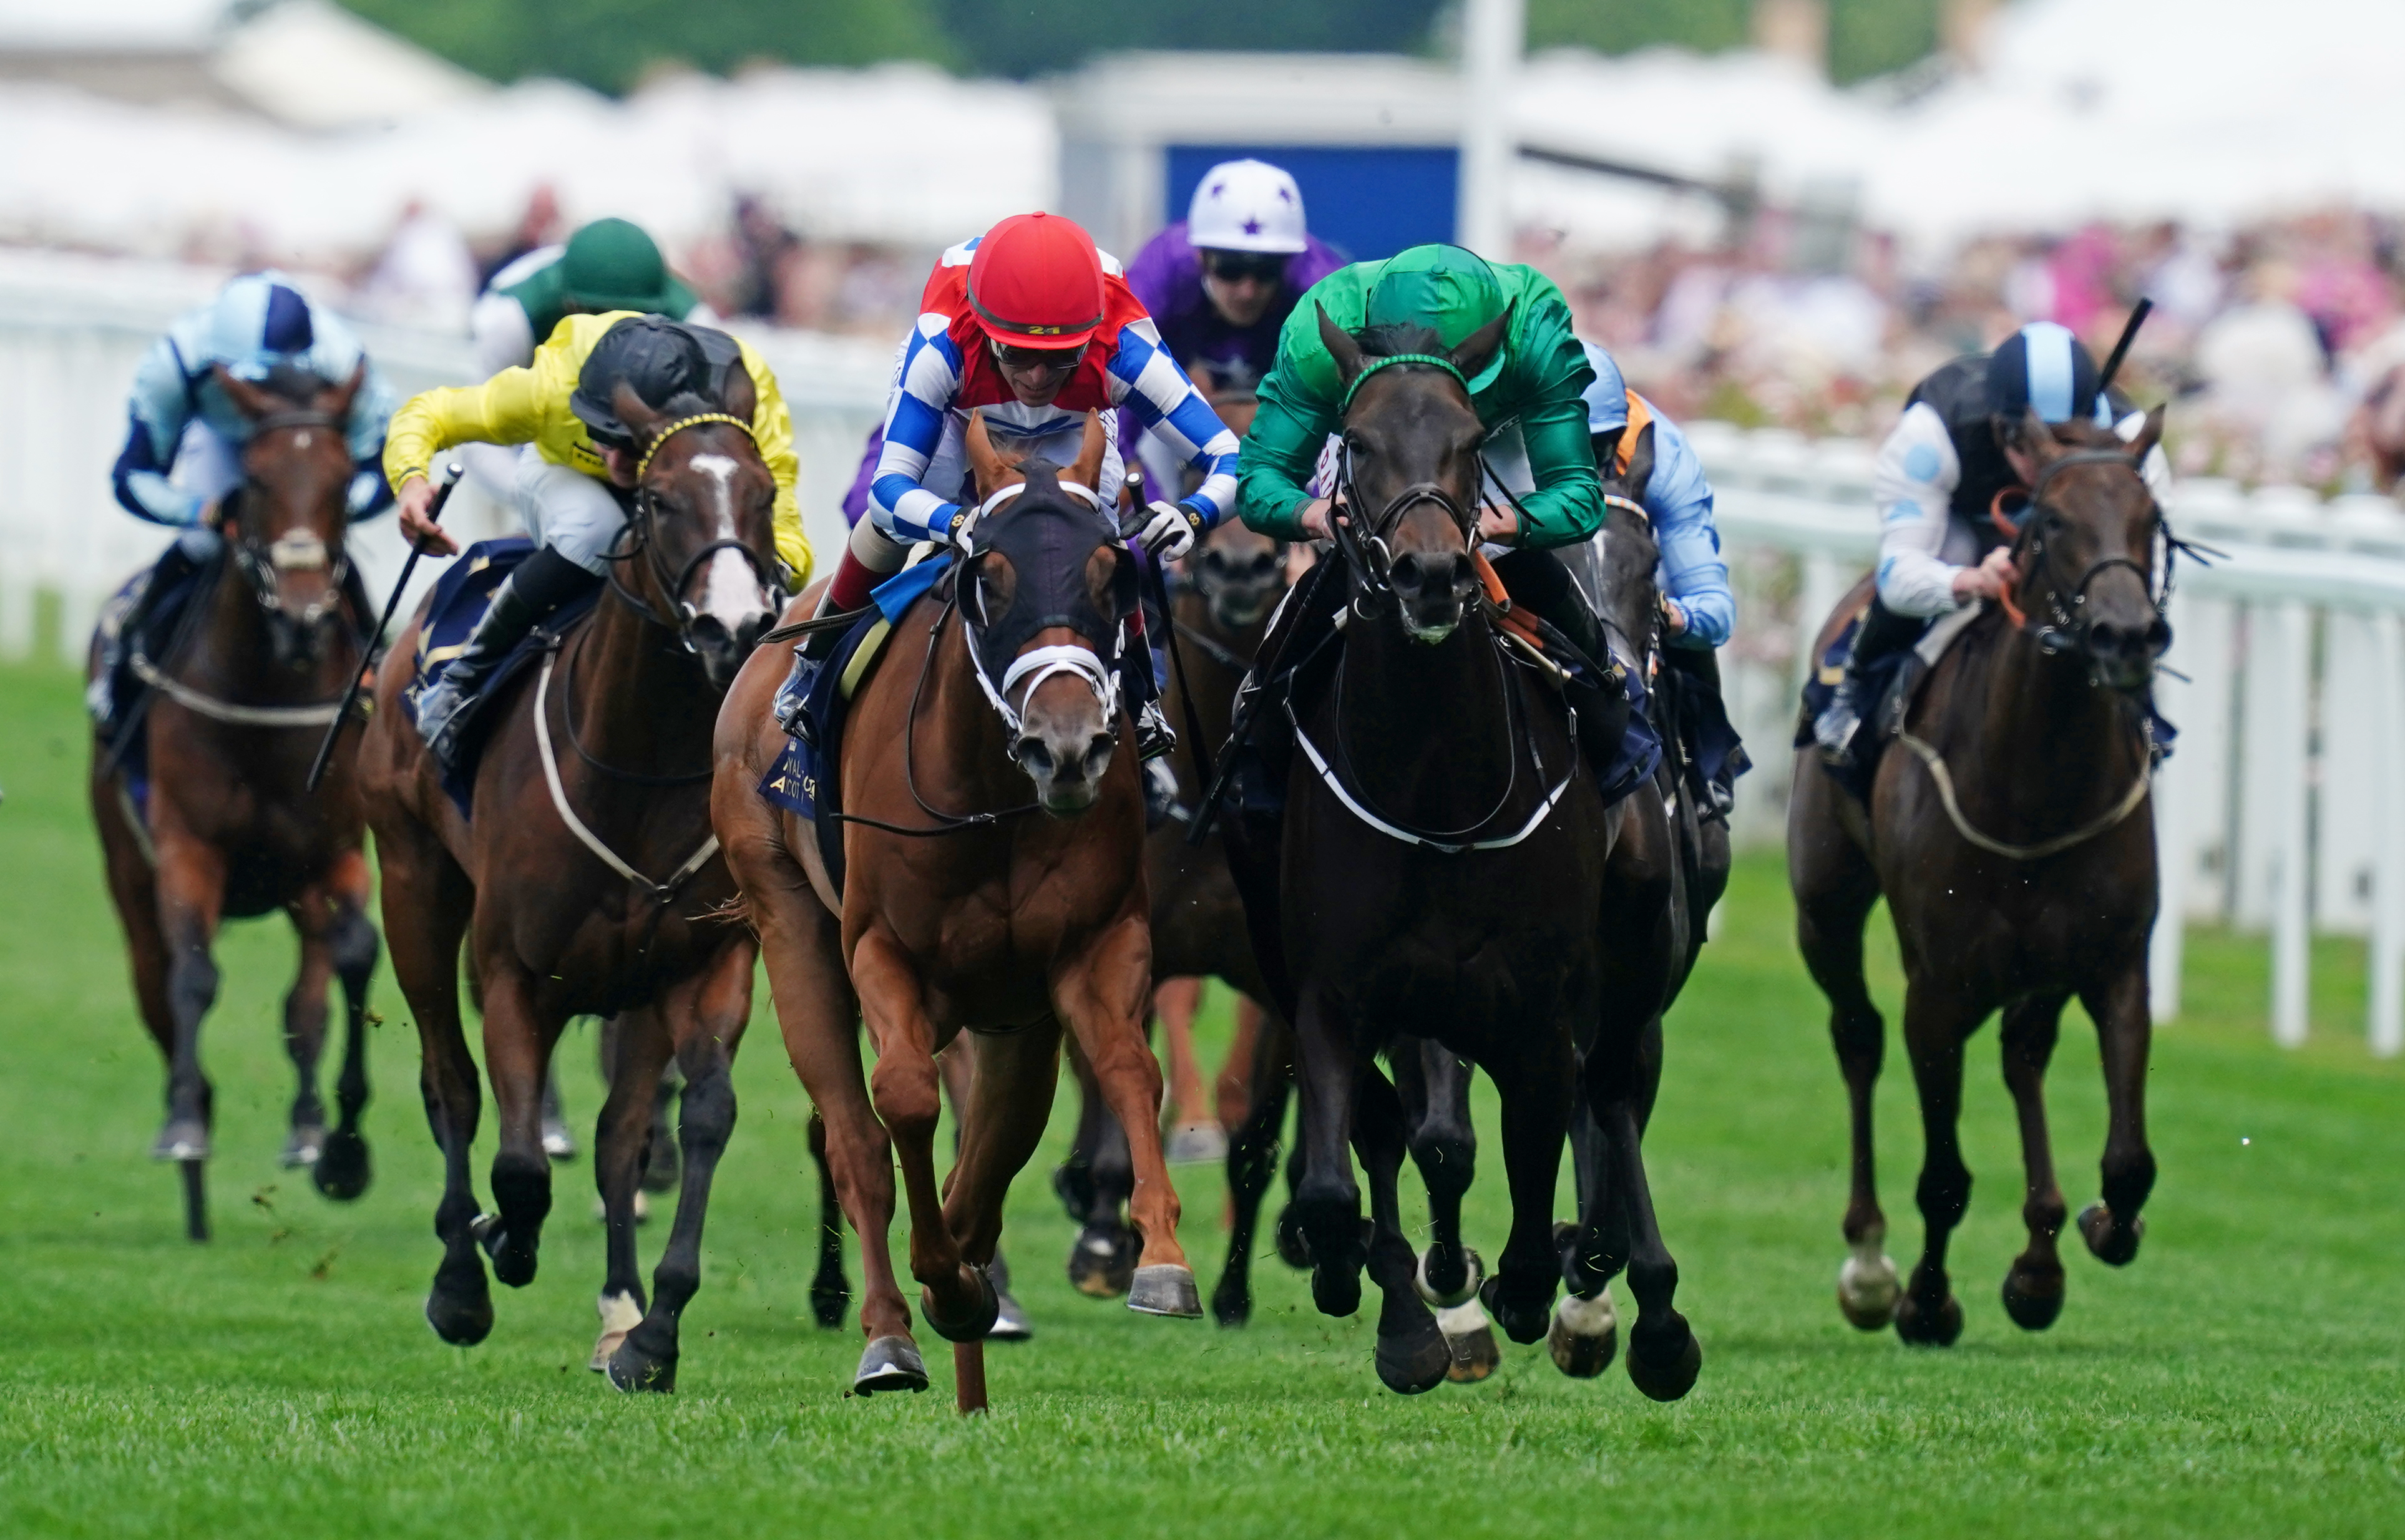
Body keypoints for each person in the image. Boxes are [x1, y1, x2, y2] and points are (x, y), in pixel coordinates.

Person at [779, 210, 1241, 764]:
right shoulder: (942, 344)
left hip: (1077, 420)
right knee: (886, 528)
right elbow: (887, 492)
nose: (1037, 380)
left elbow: (1230, 457)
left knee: (1106, 532)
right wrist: (955, 521)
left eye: (1058, 357)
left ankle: (1139, 695)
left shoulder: (1123, 347)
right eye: (1018, 353)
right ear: (981, 327)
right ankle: (815, 663)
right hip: (964, 412)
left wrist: (1192, 514)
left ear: (1090, 336)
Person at [384, 313, 809, 769]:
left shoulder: (748, 396)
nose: (617, 458)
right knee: (597, 528)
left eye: (632, 442)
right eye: (605, 436)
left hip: (688, 477)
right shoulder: (549, 388)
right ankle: (462, 680)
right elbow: (429, 414)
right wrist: (410, 481)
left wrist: (758, 575)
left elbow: (780, 512)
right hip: (563, 474)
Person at [1812, 321, 2172, 766]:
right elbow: (1899, 576)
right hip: (1964, 525)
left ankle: (2140, 706)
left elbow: (2149, 571)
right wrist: (1969, 580)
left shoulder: (2132, 440)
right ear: (2002, 431)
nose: (2051, 464)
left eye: (2069, 441)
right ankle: (1856, 690)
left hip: (2073, 537)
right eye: (2036, 446)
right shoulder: (1931, 435)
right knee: (1952, 555)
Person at [1239, 243, 1603, 650]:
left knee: (1528, 567)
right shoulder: (1315, 342)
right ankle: (1260, 698)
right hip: (1376, 437)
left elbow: (1579, 496)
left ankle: (1613, 693)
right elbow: (1259, 481)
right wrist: (1312, 513)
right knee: (1343, 563)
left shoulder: (1535, 330)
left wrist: (1507, 523)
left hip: (1486, 440)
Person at [94, 270, 399, 730]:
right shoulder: (175, 362)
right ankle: (125, 667)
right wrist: (204, 511)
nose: (259, 395)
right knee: (201, 545)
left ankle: (378, 668)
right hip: (219, 445)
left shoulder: (345, 364)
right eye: (244, 381)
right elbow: (132, 476)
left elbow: (384, 473)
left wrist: (319, 513)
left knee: (319, 552)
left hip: (306, 451)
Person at [461, 218, 720, 522]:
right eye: (598, 315)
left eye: (635, 318)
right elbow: (476, 434)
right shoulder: (512, 319)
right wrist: (534, 499)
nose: (612, 332)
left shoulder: (696, 323)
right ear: (569, 305)